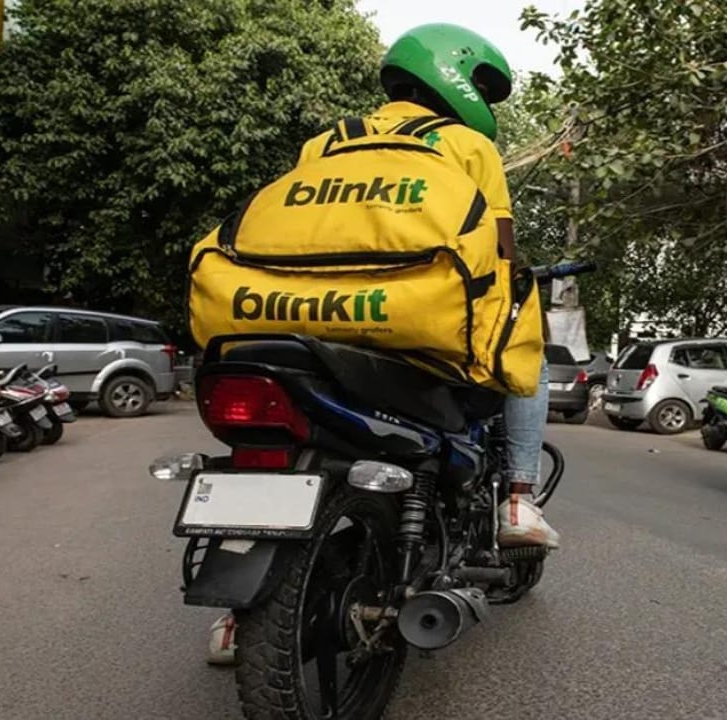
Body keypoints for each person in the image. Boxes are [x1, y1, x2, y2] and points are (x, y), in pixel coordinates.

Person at [206, 23, 558, 665]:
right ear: (457, 77)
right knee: (528, 335)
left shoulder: (325, 142)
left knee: (278, 455)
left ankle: (234, 619)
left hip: (303, 326)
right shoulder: (466, 145)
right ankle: (516, 499)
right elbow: (501, 256)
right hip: (417, 328)